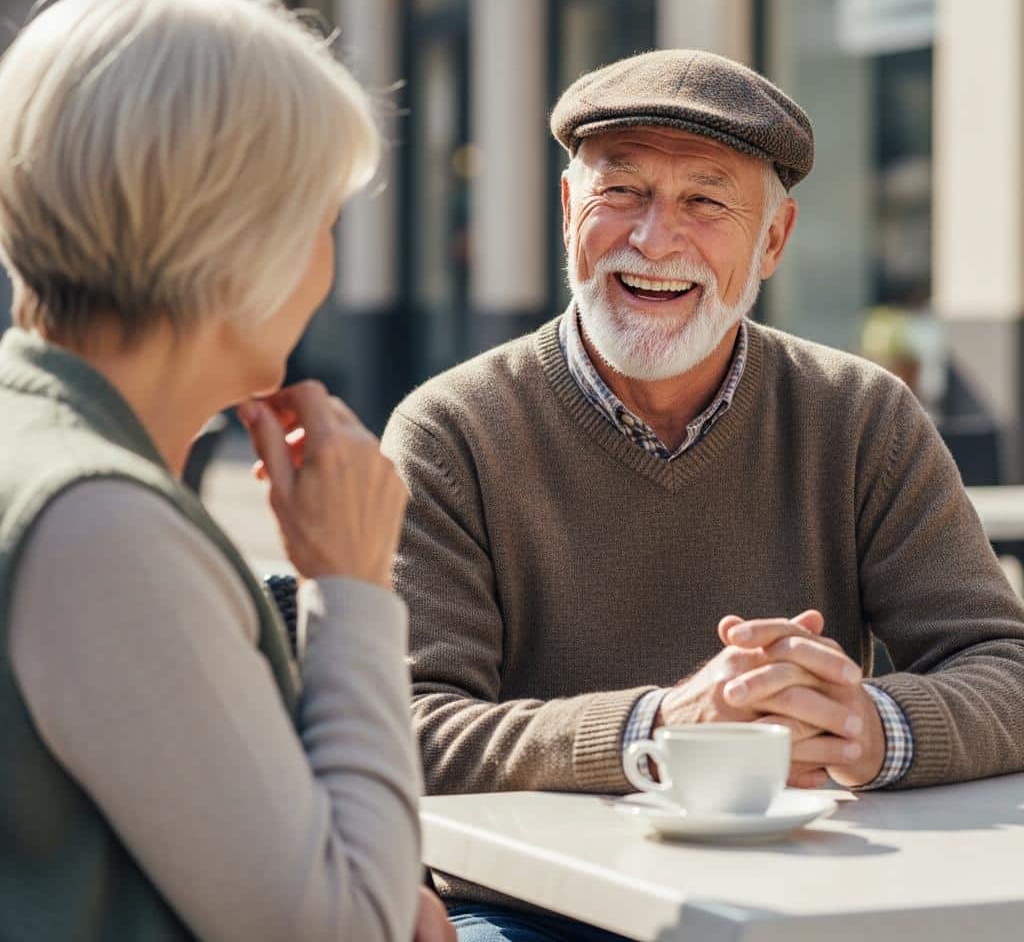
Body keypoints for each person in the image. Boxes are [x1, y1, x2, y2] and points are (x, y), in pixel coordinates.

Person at [380, 49, 1024, 941]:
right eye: (622, 192)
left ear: (774, 240)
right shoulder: (452, 430)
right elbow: (406, 732)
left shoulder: (859, 415)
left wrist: (871, 725)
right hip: (535, 911)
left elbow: (1006, 665)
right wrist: (662, 729)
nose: (653, 239)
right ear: (570, 212)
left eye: (705, 201)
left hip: (817, 892)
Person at [0, 0, 454, 942]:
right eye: (324, 218)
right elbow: (337, 929)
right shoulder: (98, 522)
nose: (327, 261)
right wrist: (351, 582)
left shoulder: (44, 452)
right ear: (239, 240)